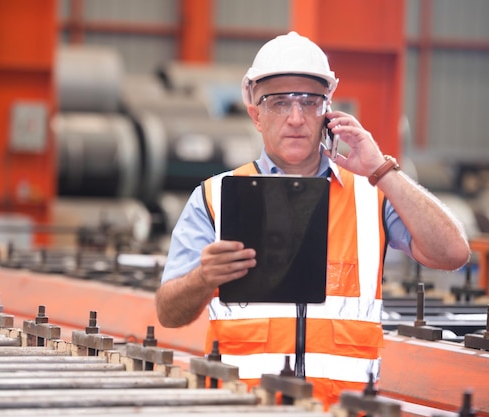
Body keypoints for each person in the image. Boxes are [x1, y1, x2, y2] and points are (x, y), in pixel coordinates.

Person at [155, 31, 470, 409]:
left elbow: (453, 252)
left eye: (309, 101)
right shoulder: (214, 198)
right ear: (255, 113)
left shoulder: (370, 194)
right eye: (278, 103)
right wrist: (203, 278)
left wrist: (382, 170)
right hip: (241, 408)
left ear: (329, 112)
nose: (295, 118)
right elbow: (169, 314)